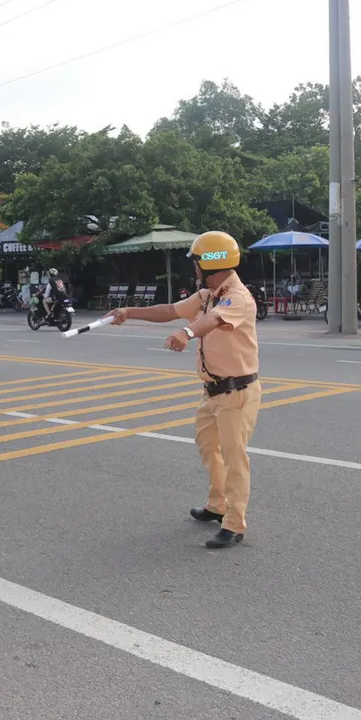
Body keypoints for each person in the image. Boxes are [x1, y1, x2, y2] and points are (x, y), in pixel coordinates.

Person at [108, 231, 261, 549]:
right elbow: (170, 310)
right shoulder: (207, 295)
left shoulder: (237, 297)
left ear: (211, 262)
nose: (193, 268)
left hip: (236, 393)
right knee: (208, 448)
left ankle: (234, 523)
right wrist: (129, 312)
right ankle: (217, 506)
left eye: (196, 262)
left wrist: (187, 332)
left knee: (235, 458)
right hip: (213, 392)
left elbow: (214, 321)